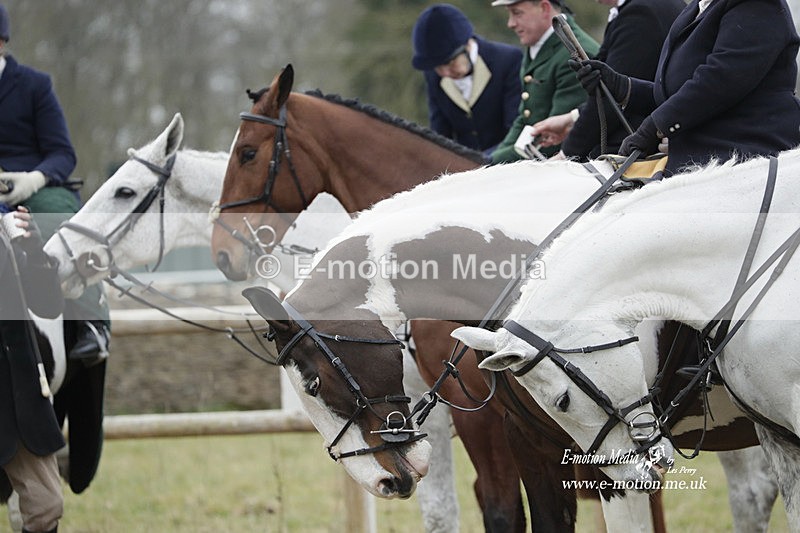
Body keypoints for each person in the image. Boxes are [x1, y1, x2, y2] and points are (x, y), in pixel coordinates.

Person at [571, 0, 800, 174]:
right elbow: (676, 93)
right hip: (699, 156)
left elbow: (718, 82)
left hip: (744, 157)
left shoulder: (757, 4)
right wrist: (621, 87)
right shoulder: (697, 8)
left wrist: (656, 126)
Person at [0, 3, 109, 364]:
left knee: (67, 220)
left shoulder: (34, 85)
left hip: (34, 189)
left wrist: (32, 180)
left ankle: (93, 324)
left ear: (2, 43)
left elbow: (62, 152)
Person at [529, 0, 685, 160]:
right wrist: (572, 118)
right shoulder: (642, 7)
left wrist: (566, 155)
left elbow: (612, 99)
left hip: (637, 151)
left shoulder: (640, 12)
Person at [0, 207, 65, 533]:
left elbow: (47, 304)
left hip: (18, 394)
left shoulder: (5, 228)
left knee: (46, 504)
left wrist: (33, 252)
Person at [489, 0, 600, 163]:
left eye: (517, 13)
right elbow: (526, 118)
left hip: (573, 168)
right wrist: (490, 160)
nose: (511, 23)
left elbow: (552, 139)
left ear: (544, 8)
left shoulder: (574, 53)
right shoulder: (539, 41)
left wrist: (491, 163)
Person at [411, 4, 523, 157]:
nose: (445, 73)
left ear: (468, 45)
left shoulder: (508, 60)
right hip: (463, 171)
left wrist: (481, 164)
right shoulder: (432, 76)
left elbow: (515, 128)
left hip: (508, 162)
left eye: (450, 62)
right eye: (438, 67)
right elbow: (440, 135)